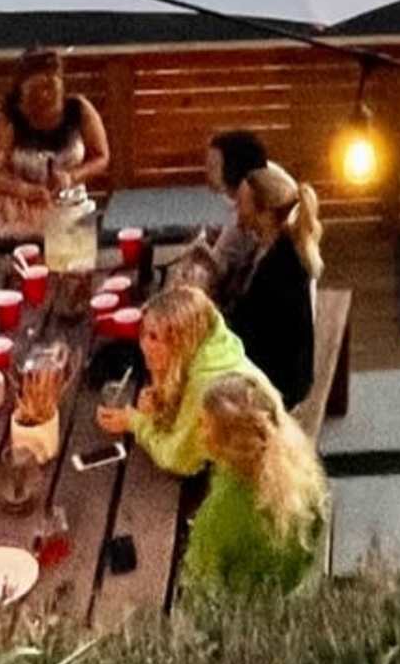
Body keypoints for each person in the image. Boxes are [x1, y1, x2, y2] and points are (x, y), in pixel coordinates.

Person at [181, 372, 327, 600]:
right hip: (291, 595)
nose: (198, 430)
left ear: (228, 441)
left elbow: (199, 590)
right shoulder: (303, 472)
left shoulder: (220, 513)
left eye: (204, 424)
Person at [94, 280, 252, 476]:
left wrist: (135, 423)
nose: (144, 345)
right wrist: (162, 409)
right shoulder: (213, 348)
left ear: (181, 341)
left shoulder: (206, 386)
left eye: (154, 337)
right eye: (143, 333)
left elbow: (178, 459)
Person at [0, 47, 111, 245]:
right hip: (15, 224)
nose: (45, 98)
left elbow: (101, 156)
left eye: (51, 89)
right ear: (21, 92)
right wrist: (24, 190)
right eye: (36, 92)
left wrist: (72, 176)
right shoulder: (6, 122)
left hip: (68, 215)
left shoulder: (79, 110)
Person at [219, 161, 323, 411]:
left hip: (279, 386)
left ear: (264, 212)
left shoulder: (281, 266)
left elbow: (249, 333)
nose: (236, 210)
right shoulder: (272, 245)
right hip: (279, 369)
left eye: (242, 203)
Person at [168, 130, 276, 303]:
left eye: (212, 167)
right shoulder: (264, 177)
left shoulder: (243, 221)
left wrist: (201, 253)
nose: (206, 171)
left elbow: (216, 274)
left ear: (234, 170)